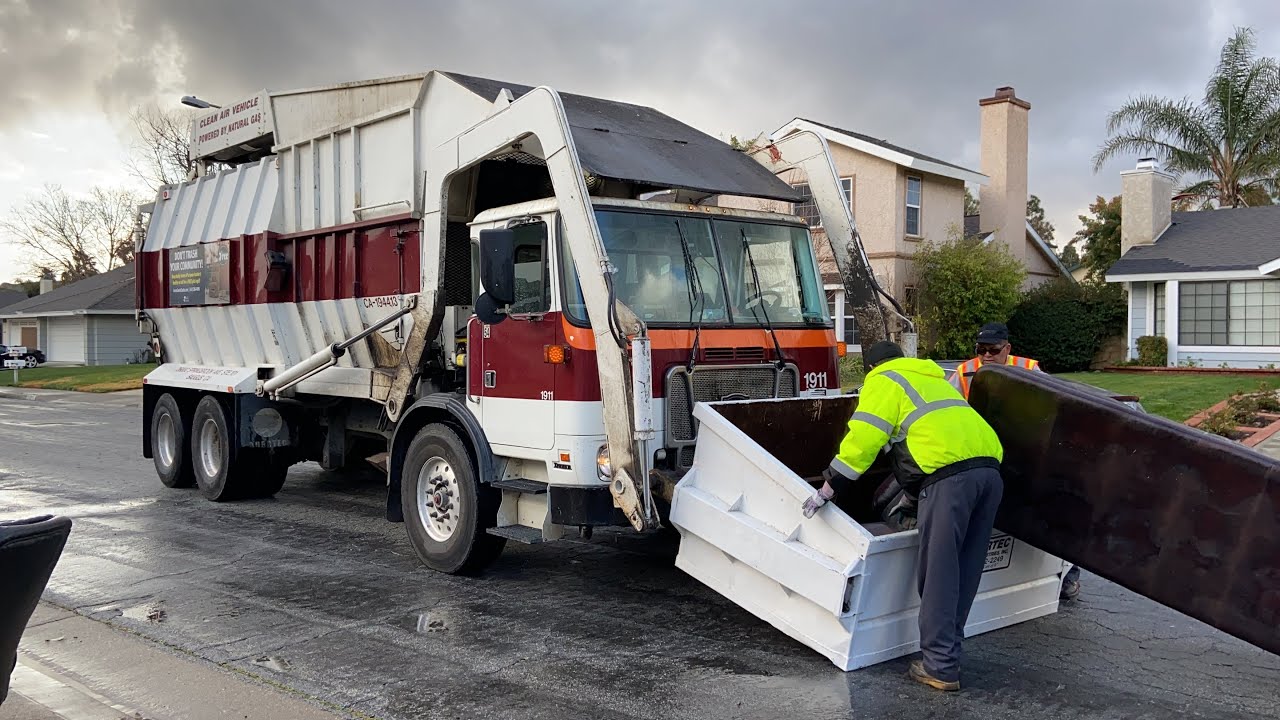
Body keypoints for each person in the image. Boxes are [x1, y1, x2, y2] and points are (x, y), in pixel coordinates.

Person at [802, 340, 1004, 692]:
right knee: (966, 567)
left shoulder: (883, 380)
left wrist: (829, 486)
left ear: (869, 368)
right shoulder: (933, 378)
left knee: (939, 572)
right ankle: (949, 654)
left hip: (949, 479)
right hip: (989, 472)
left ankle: (940, 666)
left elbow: (864, 437)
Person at [947, 323, 1082, 603]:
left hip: (1026, 453)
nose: (986, 356)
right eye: (980, 350)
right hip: (985, 451)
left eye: (993, 351)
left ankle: (1068, 572)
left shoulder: (1029, 369)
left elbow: (1053, 408)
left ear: (1007, 349)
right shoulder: (964, 373)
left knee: (1044, 511)